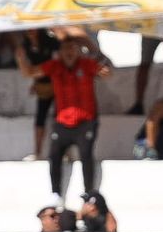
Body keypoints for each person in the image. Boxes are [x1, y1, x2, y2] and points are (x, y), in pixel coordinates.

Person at [18, 37, 112, 198]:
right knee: (54, 156)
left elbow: (107, 73)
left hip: (86, 121)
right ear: (60, 52)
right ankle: (56, 195)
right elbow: (29, 72)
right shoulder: (54, 66)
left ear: (78, 51)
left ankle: (88, 194)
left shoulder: (87, 65)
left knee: (86, 155)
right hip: (62, 122)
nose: (69, 52)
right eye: (65, 48)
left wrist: (96, 53)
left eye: (72, 48)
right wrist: (20, 57)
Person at [17, 29, 59, 160]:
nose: (30, 31)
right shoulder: (26, 46)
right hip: (42, 84)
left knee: (60, 117)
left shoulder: (51, 41)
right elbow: (32, 68)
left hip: (58, 83)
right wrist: (35, 81)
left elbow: (58, 62)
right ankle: (38, 152)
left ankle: (63, 152)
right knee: (40, 117)